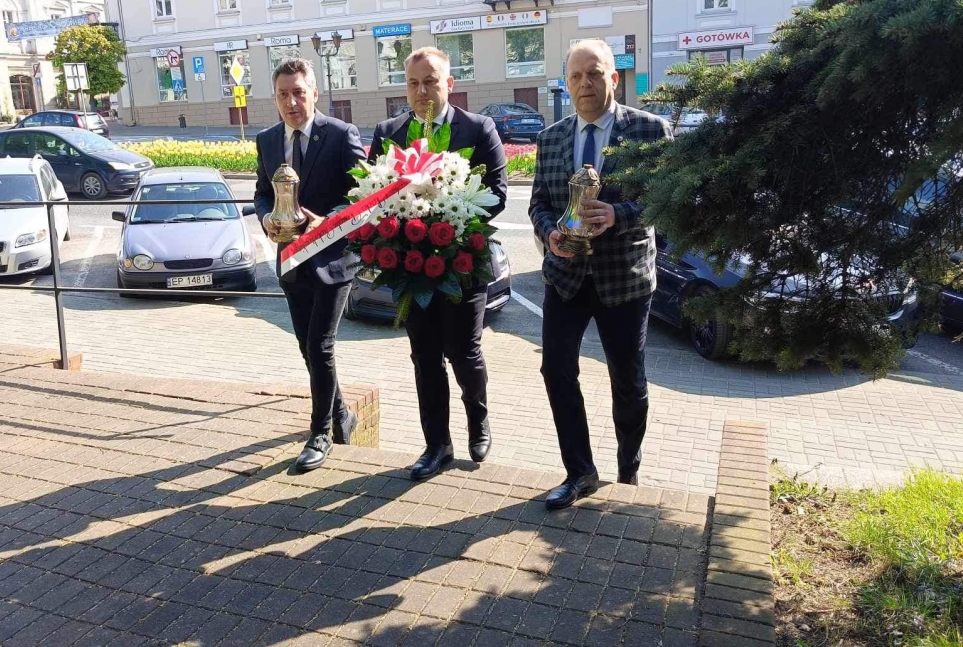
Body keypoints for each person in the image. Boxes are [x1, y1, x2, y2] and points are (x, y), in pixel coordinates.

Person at [527, 39, 674, 510]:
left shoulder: (650, 130)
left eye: (594, 74)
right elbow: (538, 204)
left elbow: (665, 199)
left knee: (627, 378)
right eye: (576, 76)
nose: (585, 84)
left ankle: (628, 469)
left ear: (613, 78)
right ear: (566, 83)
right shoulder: (551, 138)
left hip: (623, 278)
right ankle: (579, 471)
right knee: (556, 370)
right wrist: (550, 233)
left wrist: (619, 213)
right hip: (566, 275)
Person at [369, 46, 508, 482]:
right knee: (424, 356)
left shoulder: (478, 128)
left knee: (464, 353)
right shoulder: (389, 132)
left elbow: (499, 193)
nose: (422, 90)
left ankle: (479, 421)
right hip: (410, 263)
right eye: (413, 83)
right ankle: (437, 445)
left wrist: (446, 212)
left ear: (449, 84)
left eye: (431, 81)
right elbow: (373, 196)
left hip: (462, 261)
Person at [255, 58, 366, 472]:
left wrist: (328, 222)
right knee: (306, 346)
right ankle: (341, 414)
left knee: (320, 344)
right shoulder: (267, 140)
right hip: (291, 261)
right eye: (283, 94)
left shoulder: (340, 135)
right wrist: (267, 218)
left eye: (299, 92)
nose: (291, 102)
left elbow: (363, 196)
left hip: (334, 261)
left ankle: (319, 433)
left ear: (314, 93)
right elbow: (261, 193)